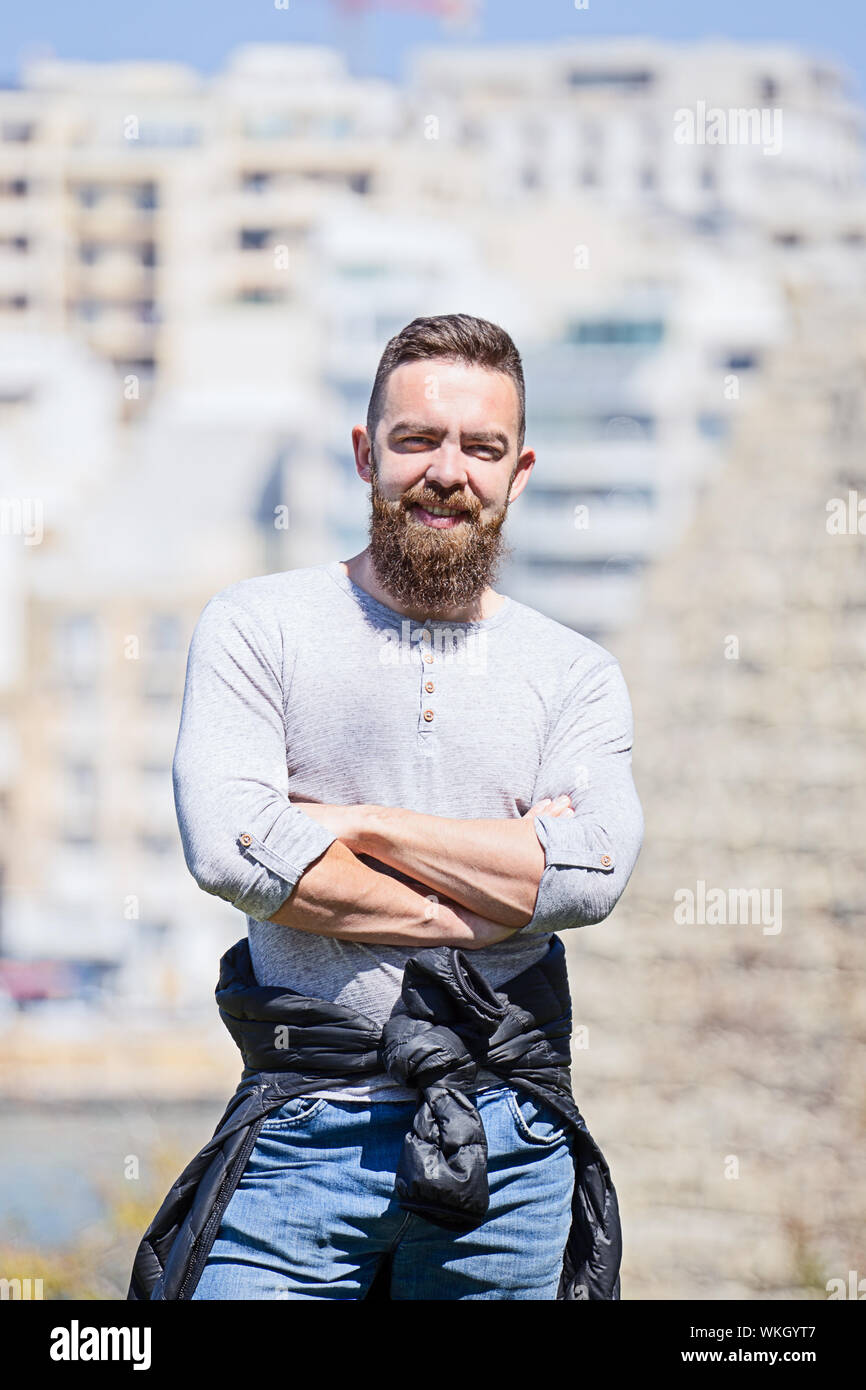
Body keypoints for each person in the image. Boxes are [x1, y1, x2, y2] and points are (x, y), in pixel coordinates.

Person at [172, 312, 644, 1300]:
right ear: (363, 455)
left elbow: (592, 871)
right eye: (416, 439)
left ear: (518, 471)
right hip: (305, 1128)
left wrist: (357, 824)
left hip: (508, 1146)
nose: (446, 471)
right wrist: (492, 889)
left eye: (480, 448)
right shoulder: (259, 626)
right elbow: (232, 850)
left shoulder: (574, 674)